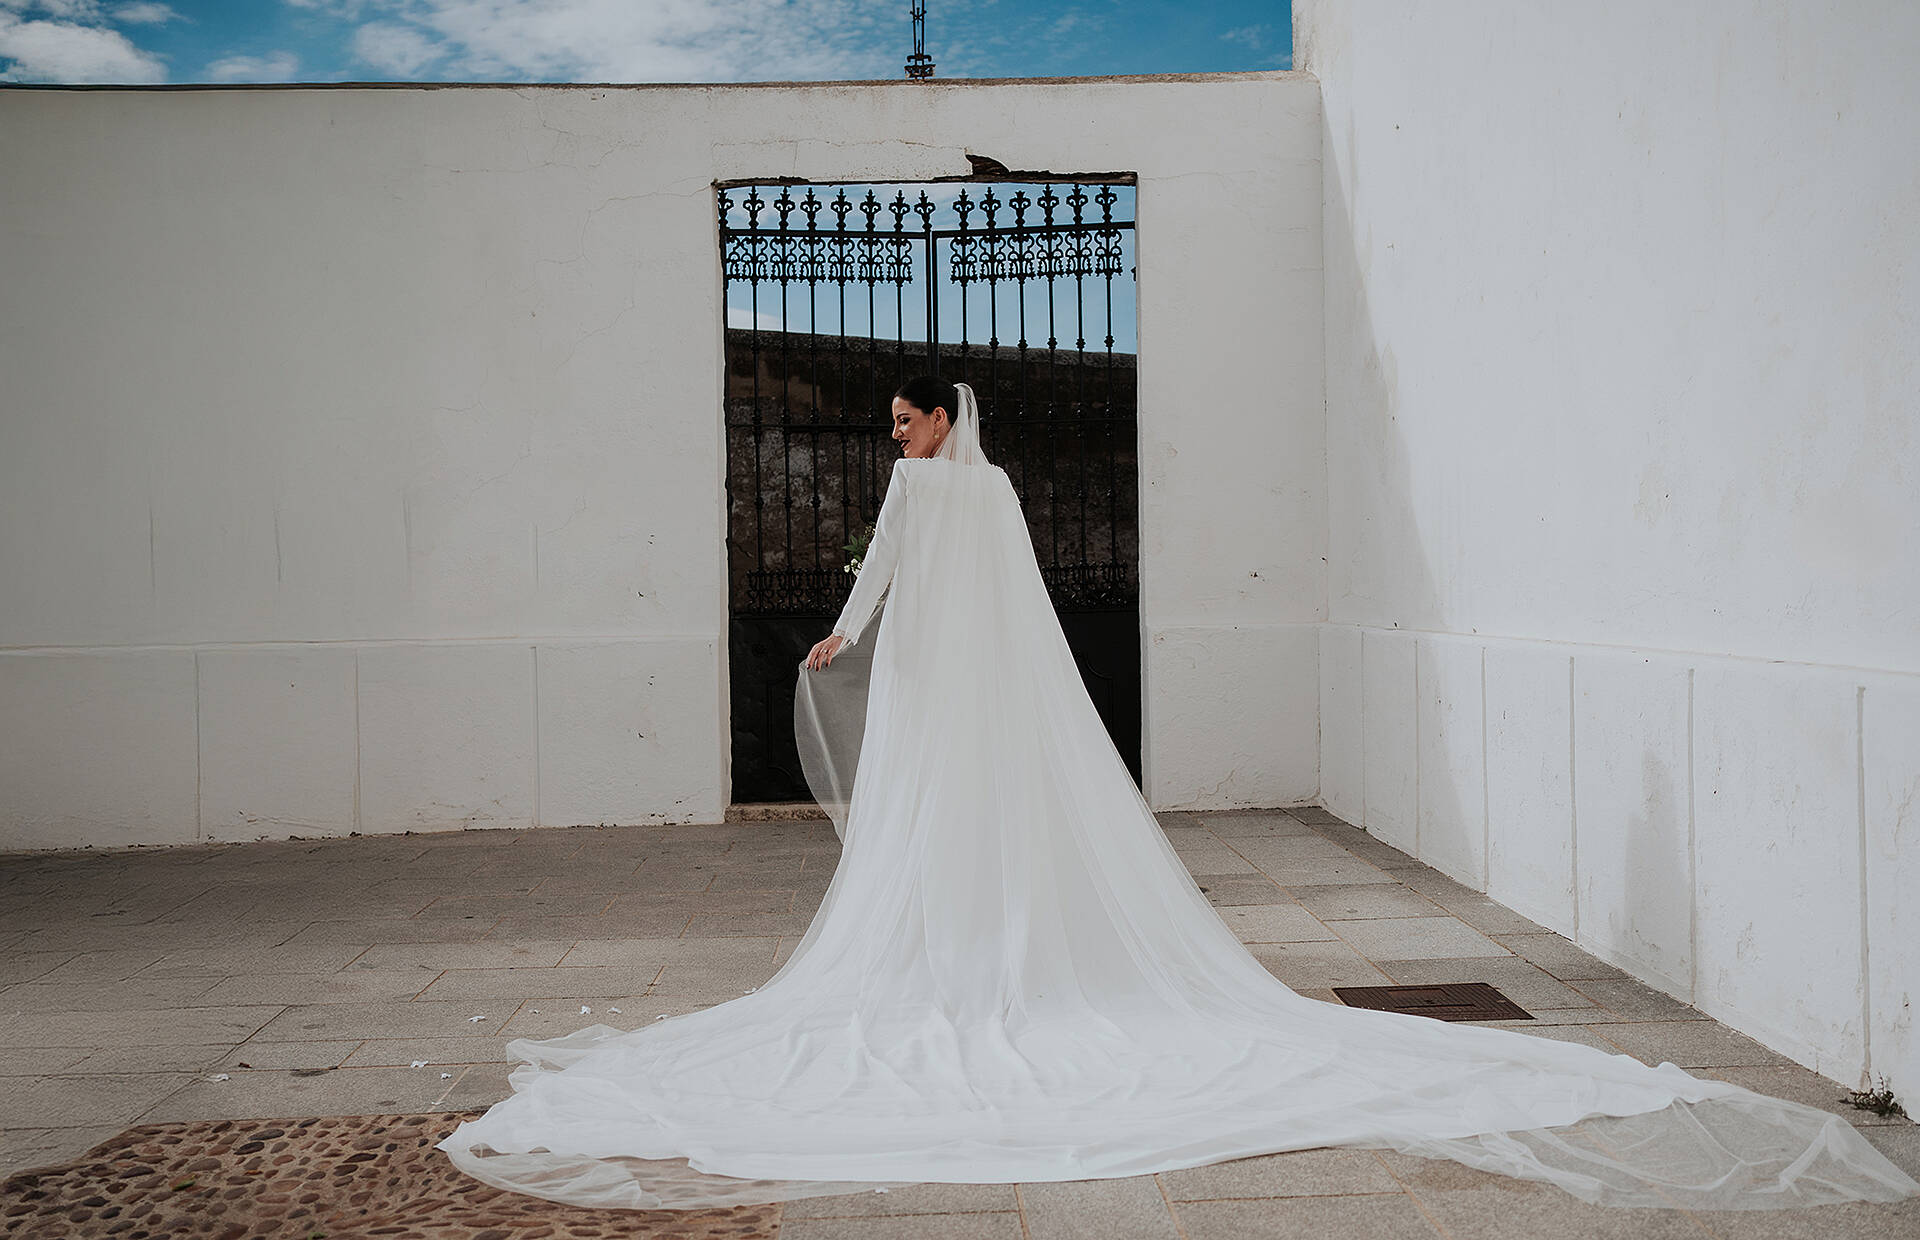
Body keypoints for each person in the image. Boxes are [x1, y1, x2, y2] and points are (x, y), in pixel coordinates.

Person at [439, 377, 1920, 1213]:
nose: (895, 442)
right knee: (975, 824)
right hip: (981, 690)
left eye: (902, 425)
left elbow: (887, 577)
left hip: (944, 687)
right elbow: (997, 596)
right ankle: (988, 954)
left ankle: (971, 966)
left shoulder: (938, 492)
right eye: (895, 432)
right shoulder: (997, 492)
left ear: (939, 423)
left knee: (935, 830)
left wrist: (850, 635)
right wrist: (872, 630)